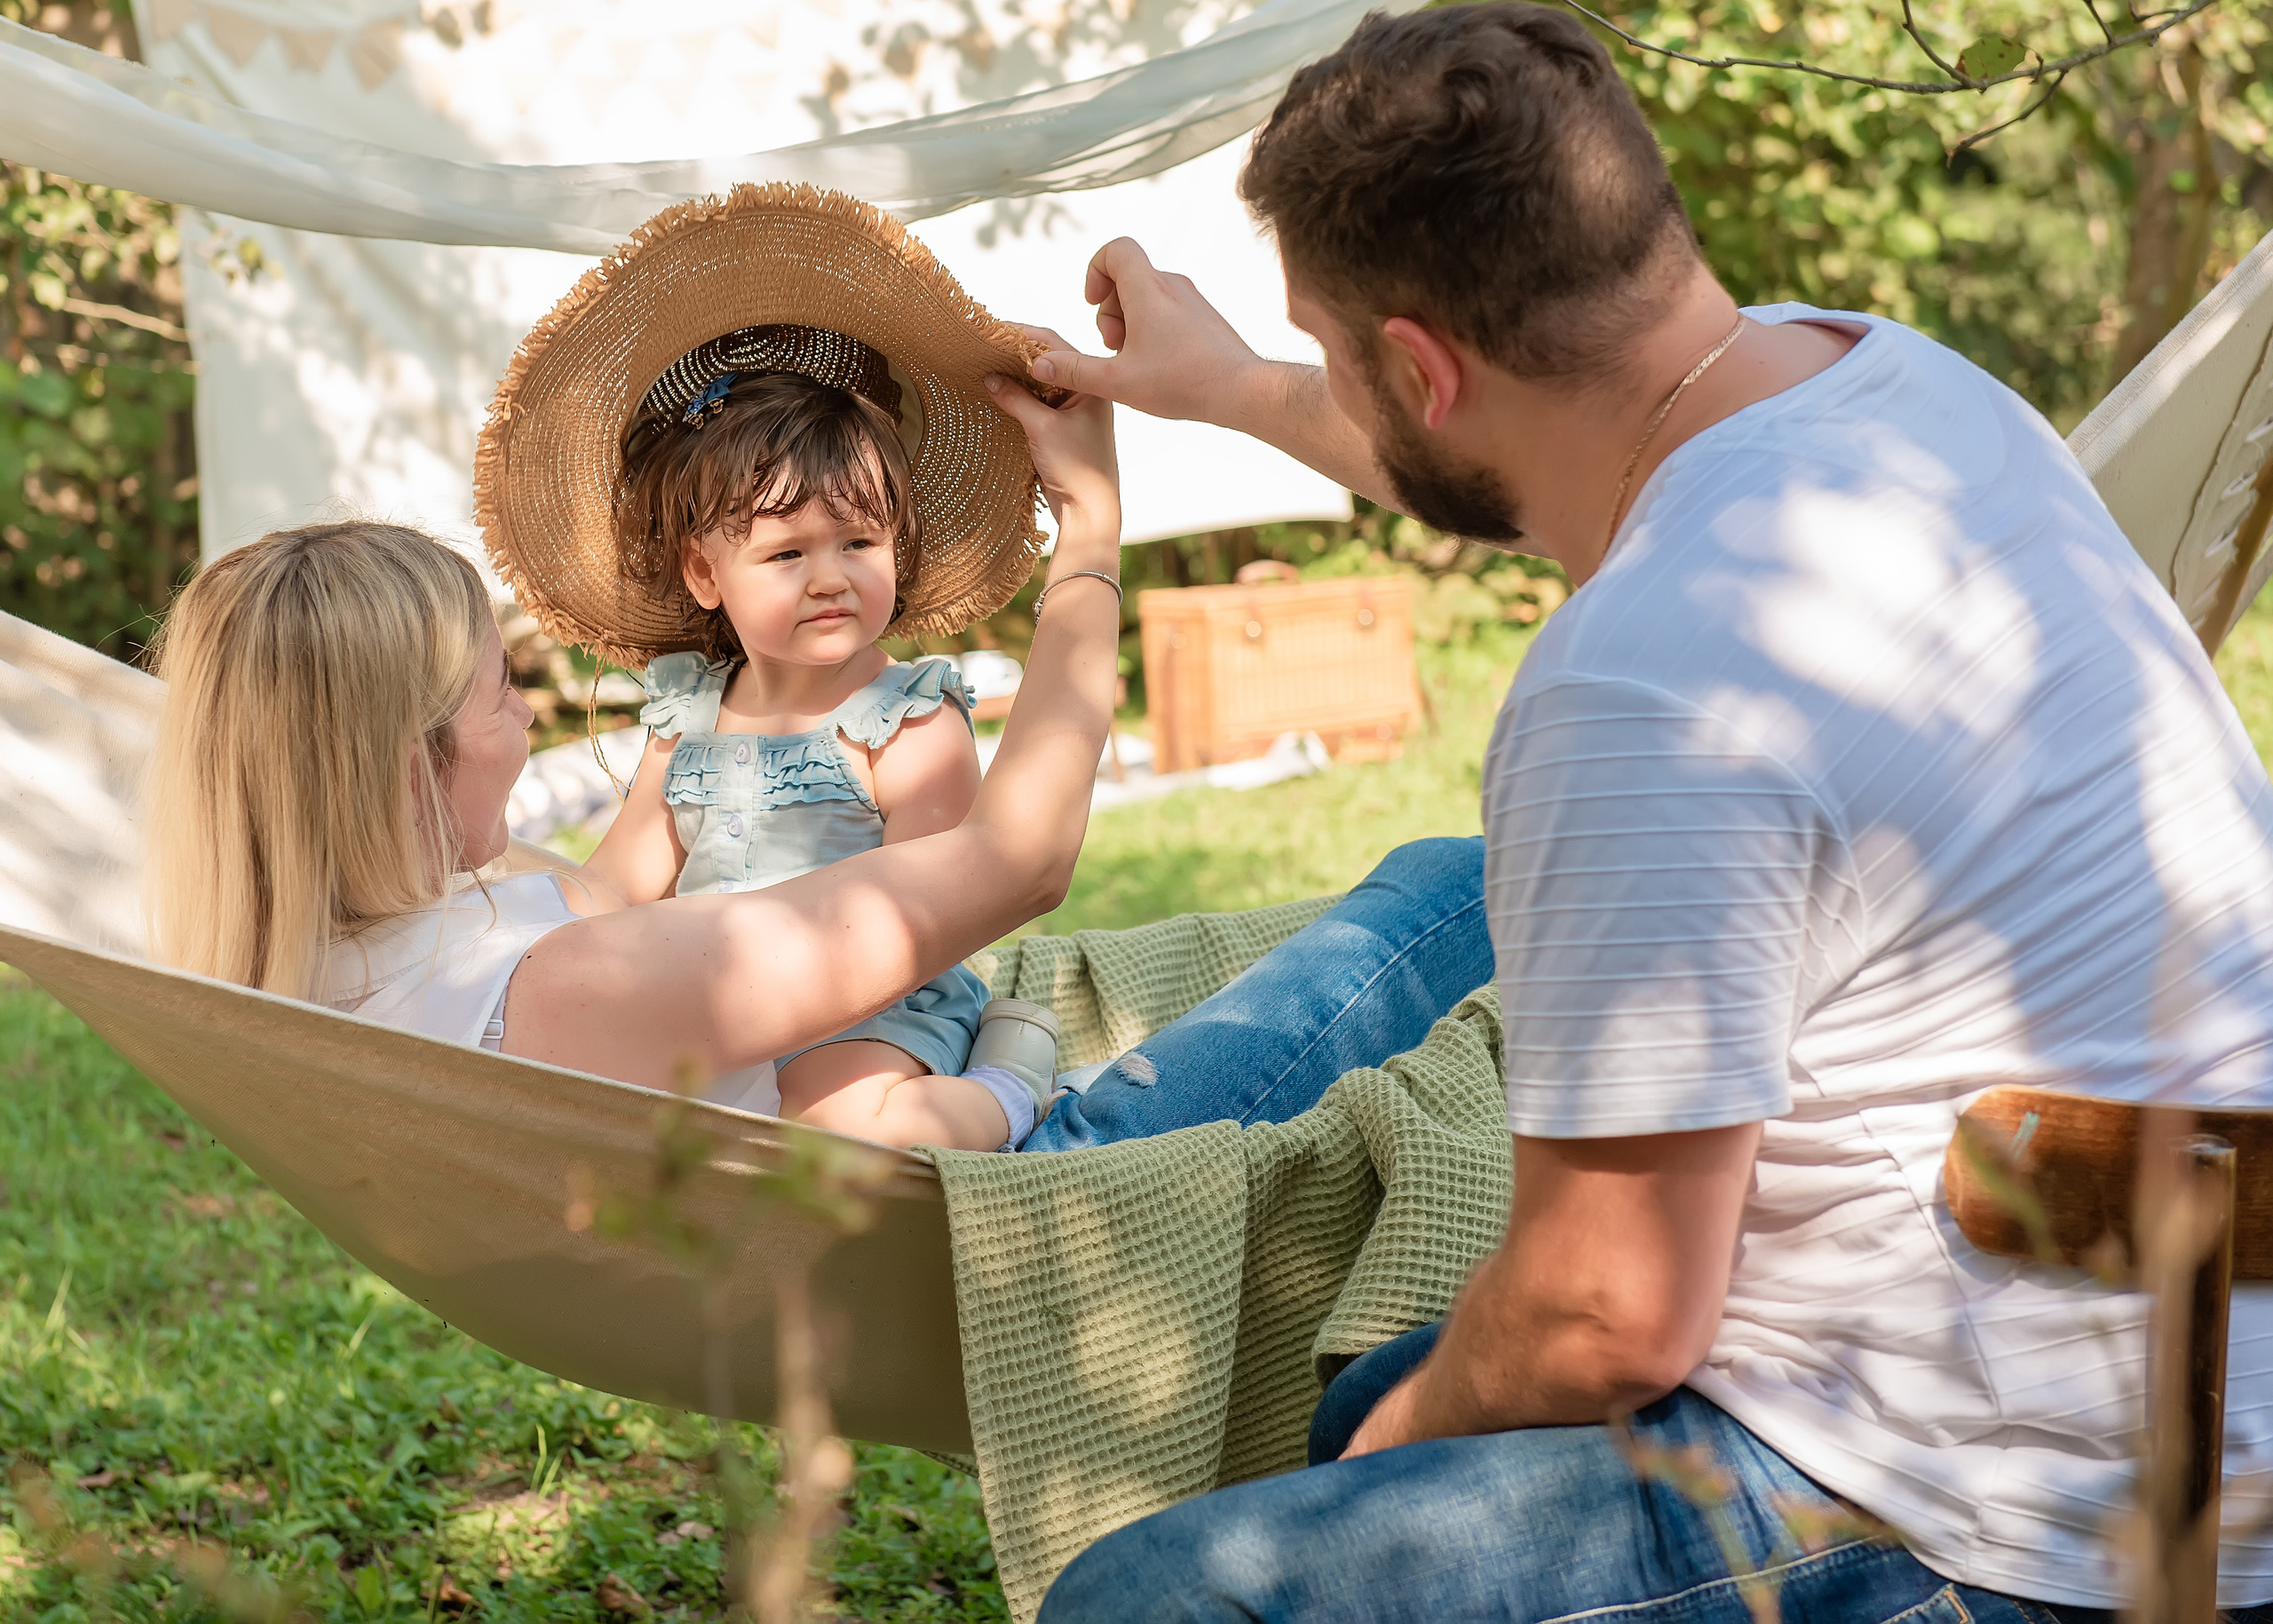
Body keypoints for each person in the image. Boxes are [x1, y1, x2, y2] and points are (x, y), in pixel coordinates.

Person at [1033, 4, 2273, 1619]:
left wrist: (1392, 1447)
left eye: (1345, 358)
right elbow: (1535, 447)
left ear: (1418, 363)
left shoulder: (1642, 683)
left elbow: (1606, 1317)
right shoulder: (1892, 392)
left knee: (1166, 1593)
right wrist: (1244, 385)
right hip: (2196, 1372)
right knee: (1359, 1402)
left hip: (2020, 1514)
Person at [139, 186, 1499, 1171]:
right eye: (499, 691)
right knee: (1455, 894)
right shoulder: (561, 988)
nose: (526, 711)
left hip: (888, 1017)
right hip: (1024, 1170)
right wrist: (1088, 534)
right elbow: (1016, 861)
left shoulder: (328, 962)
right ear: (407, 757)